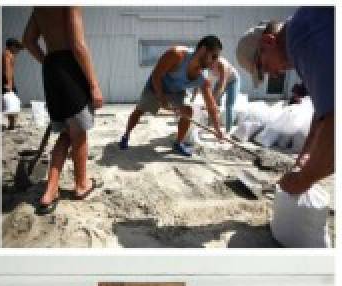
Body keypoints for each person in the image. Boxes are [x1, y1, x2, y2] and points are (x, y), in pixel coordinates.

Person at [234, 8, 334, 196]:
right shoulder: (306, 30)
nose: (273, 74)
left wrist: (305, 179)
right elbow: (323, 110)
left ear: (268, 41)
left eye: (263, 68)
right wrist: (305, 154)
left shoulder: (301, 38)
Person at [22, 7, 104, 215]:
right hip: (69, 67)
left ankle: (50, 191)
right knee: (79, 134)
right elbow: (77, 45)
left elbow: (28, 41)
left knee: (66, 133)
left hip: (51, 70)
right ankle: (82, 185)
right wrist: (94, 85)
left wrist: (47, 61)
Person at [119, 36, 226, 155]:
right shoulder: (177, 54)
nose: (215, 61)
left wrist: (217, 130)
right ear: (203, 50)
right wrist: (161, 98)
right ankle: (126, 135)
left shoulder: (203, 79)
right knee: (140, 110)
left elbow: (211, 106)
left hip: (176, 92)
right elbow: (156, 75)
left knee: (188, 111)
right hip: (157, 85)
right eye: (214, 56)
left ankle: (178, 143)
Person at [209, 56, 240, 132]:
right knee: (212, 102)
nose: (210, 66)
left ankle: (227, 131)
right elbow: (206, 81)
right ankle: (213, 126)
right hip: (220, 80)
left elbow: (222, 85)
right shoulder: (207, 63)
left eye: (212, 64)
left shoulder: (222, 64)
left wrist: (214, 98)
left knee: (229, 105)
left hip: (233, 81)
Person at [2, 38, 25, 129]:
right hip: (7, 81)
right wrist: (8, 84)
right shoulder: (7, 54)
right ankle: (11, 124)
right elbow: (7, 70)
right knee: (11, 102)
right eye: (18, 48)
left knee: (11, 102)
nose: (18, 51)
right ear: (12, 46)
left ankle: (12, 124)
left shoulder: (9, 54)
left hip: (9, 81)